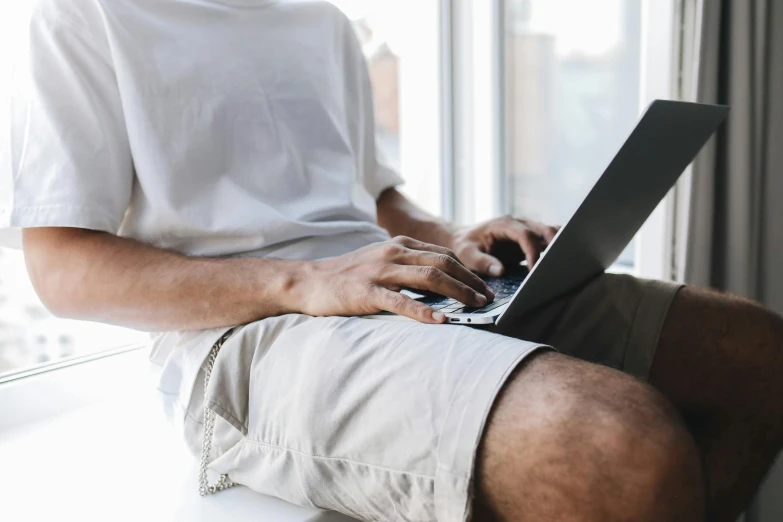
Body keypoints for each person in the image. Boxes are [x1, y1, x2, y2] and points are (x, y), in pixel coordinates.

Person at [3, 1, 782, 521]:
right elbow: (63, 270)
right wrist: (302, 280)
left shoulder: (318, 19)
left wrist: (456, 239)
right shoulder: (81, 16)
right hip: (245, 333)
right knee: (623, 450)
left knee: (754, 351)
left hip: (377, 288)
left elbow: (378, 201)